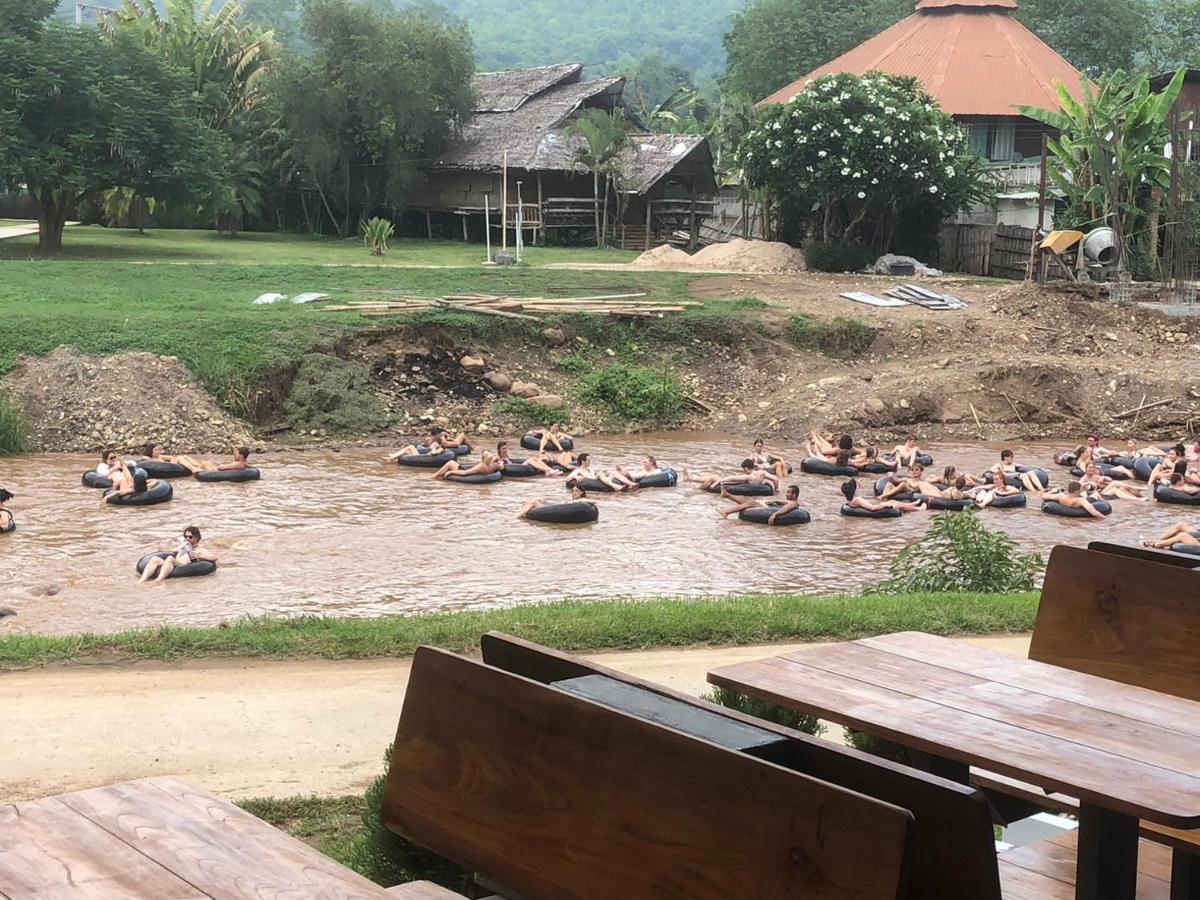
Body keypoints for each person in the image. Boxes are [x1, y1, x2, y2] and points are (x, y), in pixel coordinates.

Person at [139, 525, 217, 584]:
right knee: (155, 559)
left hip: (182, 565)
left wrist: (200, 556)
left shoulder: (200, 550)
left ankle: (158, 580)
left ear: (196, 537)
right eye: (186, 537)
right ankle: (142, 580)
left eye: (190, 537)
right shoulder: (183, 546)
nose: (187, 539)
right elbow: (173, 550)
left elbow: (214, 557)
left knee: (170, 558)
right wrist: (162, 549)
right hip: (174, 563)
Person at [683, 460, 778, 493]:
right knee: (714, 476)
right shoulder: (762, 473)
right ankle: (690, 479)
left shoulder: (749, 476)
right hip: (752, 485)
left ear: (746, 468)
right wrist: (775, 490)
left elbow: (731, 478)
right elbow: (775, 479)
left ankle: (692, 483)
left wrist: (716, 483)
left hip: (737, 484)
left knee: (713, 478)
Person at [719, 484, 803, 522]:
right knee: (748, 502)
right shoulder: (789, 501)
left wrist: (775, 514)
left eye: (788, 492)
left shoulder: (795, 503)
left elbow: (787, 507)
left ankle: (726, 512)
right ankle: (727, 495)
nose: (786, 494)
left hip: (769, 511)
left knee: (751, 502)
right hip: (769, 508)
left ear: (794, 495)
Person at [842, 478, 926, 513]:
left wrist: (858, 483)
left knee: (893, 501)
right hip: (876, 508)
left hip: (874, 505)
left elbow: (858, 493)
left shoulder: (851, 499)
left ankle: (911, 504)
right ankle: (918, 509)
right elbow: (872, 508)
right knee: (895, 504)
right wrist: (885, 506)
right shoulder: (857, 499)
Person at [566, 453, 638, 492]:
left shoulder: (590, 470)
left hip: (596, 481)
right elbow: (567, 479)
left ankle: (631, 484)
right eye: (588, 460)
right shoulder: (578, 470)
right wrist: (575, 476)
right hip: (592, 482)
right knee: (600, 473)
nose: (590, 462)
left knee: (614, 473)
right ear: (583, 461)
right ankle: (616, 487)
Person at [1079, 462, 1145, 500]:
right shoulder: (1084, 478)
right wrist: (1088, 483)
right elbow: (1078, 485)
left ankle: (1137, 498)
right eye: (1089, 467)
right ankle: (1137, 489)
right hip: (1095, 496)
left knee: (1117, 488)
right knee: (1115, 483)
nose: (1091, 469)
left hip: (1102, 493)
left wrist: (1104, 478)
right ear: (1086, 468)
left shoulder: (1095, 476)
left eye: (1093, 467)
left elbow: (1110, 480)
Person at [1042, 481, 1107, 519]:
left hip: (1070, 500)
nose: (1081, 490)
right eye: (1080, 490)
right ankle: (1103, 501)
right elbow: (1095, 513)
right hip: (1082, 504)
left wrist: (1052, 491)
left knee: (1084, 492)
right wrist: (1106, 519)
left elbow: (1044, 496)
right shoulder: (1081, 500)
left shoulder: (1060, 496)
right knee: (1095, 494)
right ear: (1076, 491)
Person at [519, 485, 589, 519]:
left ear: (581, 492)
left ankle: (518, 517)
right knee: (533, 501)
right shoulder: (573, 501)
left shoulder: (582, 501)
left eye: (576, 491)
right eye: (573, 491)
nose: (574, 493)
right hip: (556, 508)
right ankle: (525, 513)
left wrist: (581, 500)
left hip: (557, 511)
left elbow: (593, 501)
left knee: (533, 502)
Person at [432, 449, 503, 481]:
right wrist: (500, 461)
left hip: (462, 470)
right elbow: (501, 466)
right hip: (471, 471)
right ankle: (439, 476)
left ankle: (434, 477)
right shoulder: (493, 465)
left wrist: (450, 472)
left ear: (483, 457)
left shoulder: (481, 466)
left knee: (451, 462)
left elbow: (465, 473)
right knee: (452, 464)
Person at [176, 446, 252, 474]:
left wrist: (218, 465)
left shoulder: (237, 464)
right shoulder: (243, 464)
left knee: (180, 458)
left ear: (241, 456)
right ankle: (185, 457)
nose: (235, 455)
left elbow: (221, 468)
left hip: (208, 471)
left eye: (237, 454)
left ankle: (184, 461)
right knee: (205, 463)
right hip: (210, 468)